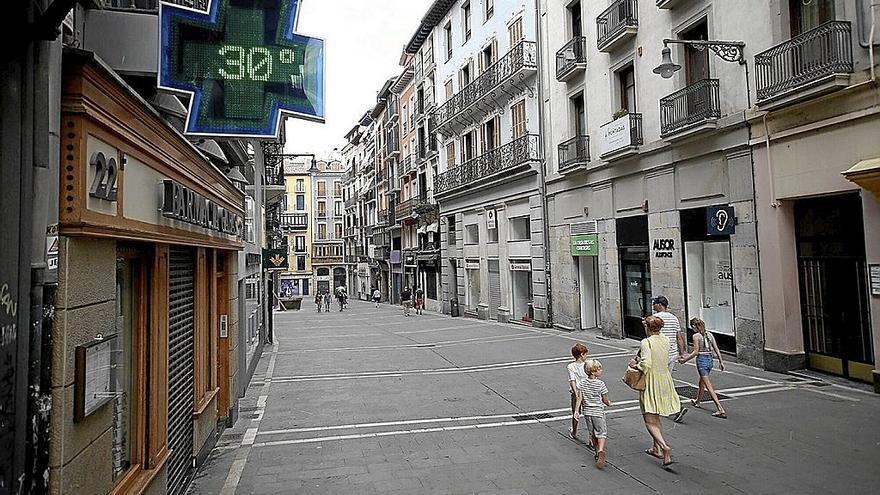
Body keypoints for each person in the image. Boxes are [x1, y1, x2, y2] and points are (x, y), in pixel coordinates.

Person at [628, 315, 680, 467]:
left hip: (651, 381)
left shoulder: (646, 342)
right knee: (656, 416)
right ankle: (655, 448)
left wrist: (634, 365)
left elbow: (646, 364)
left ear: (648, 328)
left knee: (649, 420)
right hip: (664, 380)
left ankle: (664, 447)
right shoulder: (666, 340)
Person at [679, 318, 727, 419]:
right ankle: (697, 400)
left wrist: (685, 360)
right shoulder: (709, 334)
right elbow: (716, 349)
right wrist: (721, 361)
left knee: (708, 385)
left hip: (702, 361)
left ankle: (720, 408)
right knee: (702, 382)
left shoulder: (696, 336)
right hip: (710, 360)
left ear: (694, 326)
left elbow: (695, 352)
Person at [652, 295, 688, 423]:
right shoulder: (674, 318)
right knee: (665, 381)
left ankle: (675, 407)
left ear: (660, 305)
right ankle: (664, 406)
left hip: (659, 355)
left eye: (655, 303)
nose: (653, 305)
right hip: (672, 354)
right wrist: (681, 353)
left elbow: (651, 337)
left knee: (660, 382)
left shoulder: (656, 319)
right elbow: (679, 337)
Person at [575, 359, 612, 469]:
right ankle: (601, 450)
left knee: (593, 433)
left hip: (587, 412)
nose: (601, 370)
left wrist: (577, 411)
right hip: (598, 412)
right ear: (593, 372)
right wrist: (609, 403)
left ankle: (596, 453)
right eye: (599, 369)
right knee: (601, 432)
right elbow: (605, 399)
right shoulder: (601, 384)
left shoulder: (582, 383)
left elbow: (579, 398)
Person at [566, 343, 589, 439]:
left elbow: (572, 380)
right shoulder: (588, 364)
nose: (586, 356)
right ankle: (591, 437)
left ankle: (574, 431)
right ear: (582, 354)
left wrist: (576, 393)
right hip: (588, 390)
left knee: (576, 412)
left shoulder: (571, 366)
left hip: (578, 390)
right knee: (589, 412)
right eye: (586, 354)